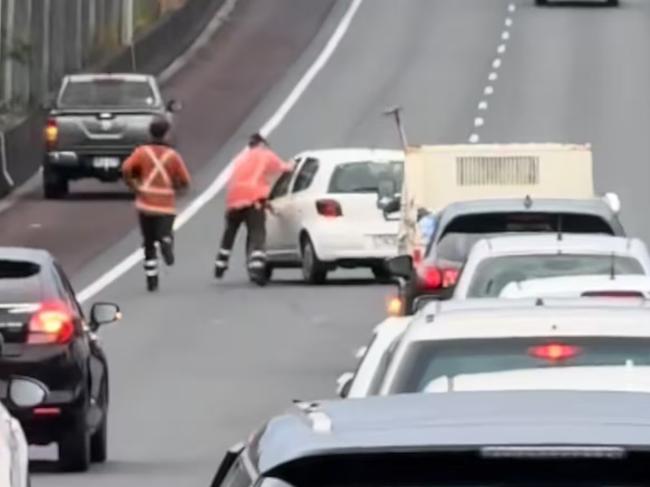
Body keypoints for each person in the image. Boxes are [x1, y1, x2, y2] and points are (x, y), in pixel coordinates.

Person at [122, 117, 191, 292]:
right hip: (166, 205)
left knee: (148, 242)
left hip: (145, 204)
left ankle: (151, 279)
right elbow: (184, 179)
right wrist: (178, 189)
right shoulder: (172, 156)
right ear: (166, 134)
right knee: (165, 232)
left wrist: (134, 185)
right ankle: (166, 241)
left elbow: (126, 168)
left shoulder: (142, 152)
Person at [214, 133, 292, 283]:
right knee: (257, 233)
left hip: (234, 200)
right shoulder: (265, 155)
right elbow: (284, 168)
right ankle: (256, 268)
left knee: (229, 233)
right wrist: (292, 165)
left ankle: (220, 264)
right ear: (262, 144)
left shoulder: (239, 158)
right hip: (254, 199)